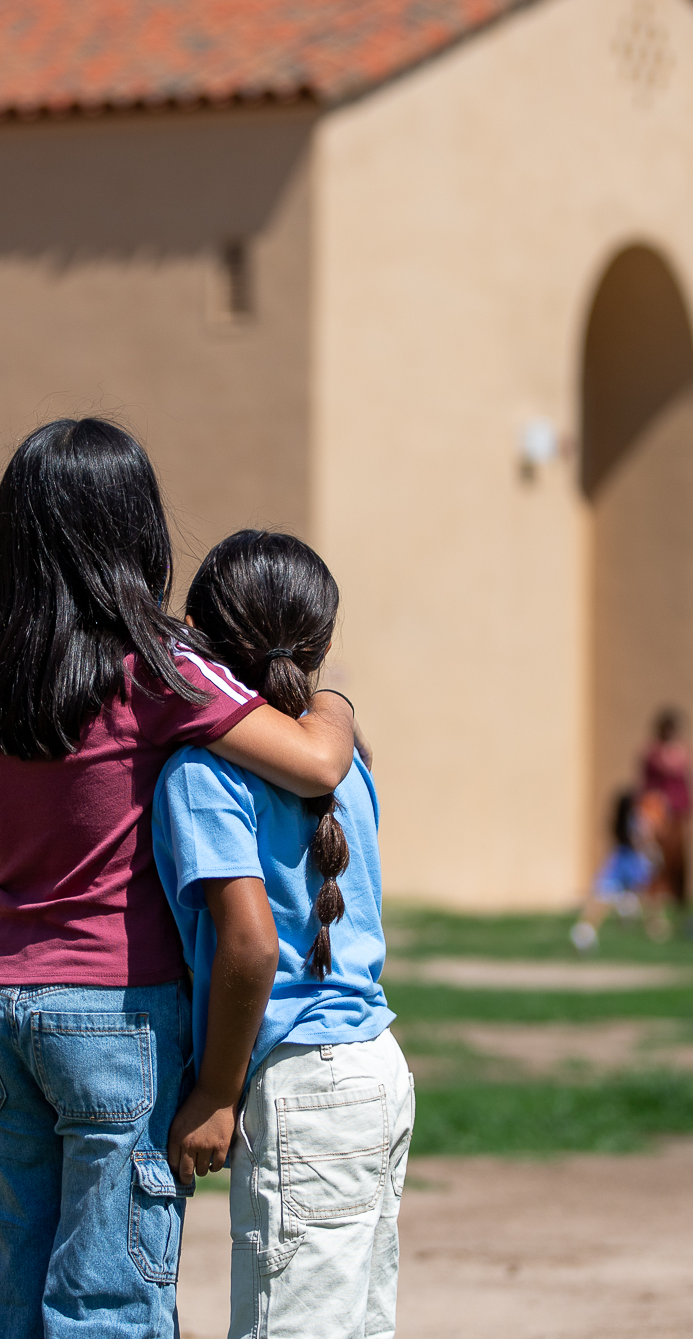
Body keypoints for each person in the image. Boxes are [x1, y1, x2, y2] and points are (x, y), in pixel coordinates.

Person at [0, 419, 357, 1339]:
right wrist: (335, 699)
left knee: (15, 1281)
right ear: (137, 535)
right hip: (115, 1017)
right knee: (108, 1295)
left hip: (2, 1006)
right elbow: (313, 764)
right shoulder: (156, 675)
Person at [152, 529, 411, 1339]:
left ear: (197, 635)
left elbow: (252, 945)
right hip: (378, 1067)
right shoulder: (346, 759)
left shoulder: (202, 773)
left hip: (300, 1086)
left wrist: (217, 1092)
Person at [571, 788, 666, 952]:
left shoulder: (620, 825)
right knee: (638, 897)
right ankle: (647, 920)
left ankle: (587, 929)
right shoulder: (637, 821)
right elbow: (646, 839)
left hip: (621, 866)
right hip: (630, 866)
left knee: (603, 899)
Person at [639, 708, 693, 920]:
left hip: (679, 816)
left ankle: (680, 909)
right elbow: (645, 786)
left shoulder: (682, 752)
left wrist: (691, 811)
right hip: (658, 816)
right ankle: (655, 911)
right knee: (656, 864)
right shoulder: (651, 753)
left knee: (678, 863)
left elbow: (687, 784)